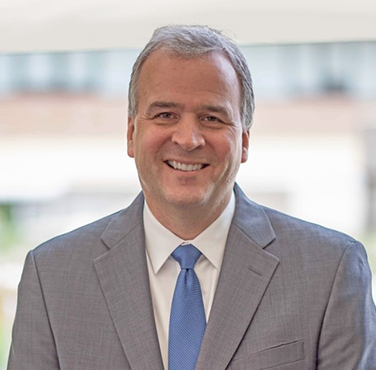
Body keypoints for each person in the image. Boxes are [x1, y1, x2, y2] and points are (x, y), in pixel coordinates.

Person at [7, 25, 376, 370]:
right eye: (165, 114)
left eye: (212, 118)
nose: (188, 139)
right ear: (132, 133)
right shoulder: (52, 276)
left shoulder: (331, 270)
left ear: (244, 141)